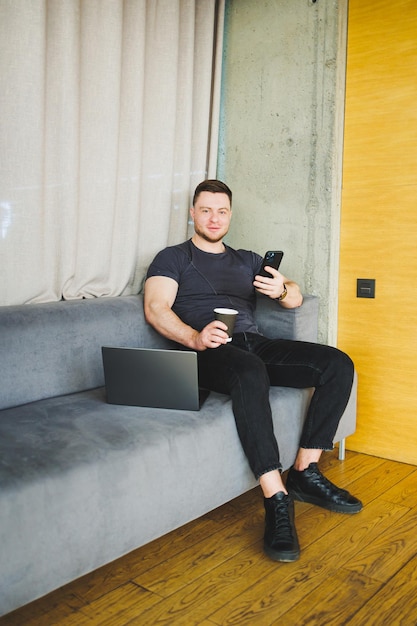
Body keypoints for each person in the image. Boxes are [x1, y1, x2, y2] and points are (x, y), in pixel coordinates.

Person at [144, 179, 362, 562]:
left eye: (222, 211)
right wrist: (196, 337)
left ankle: (305, 473)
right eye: (206, 210)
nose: (214, 218)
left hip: (253, 343)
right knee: (248, 371)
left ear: (230, 215)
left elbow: (293, 299)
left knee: (337, 364)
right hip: (206, 351)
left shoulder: (246, 259)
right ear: (192, 213)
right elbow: (156, 309)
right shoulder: (172, 257)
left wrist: (281, 289)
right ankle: (276, 498)